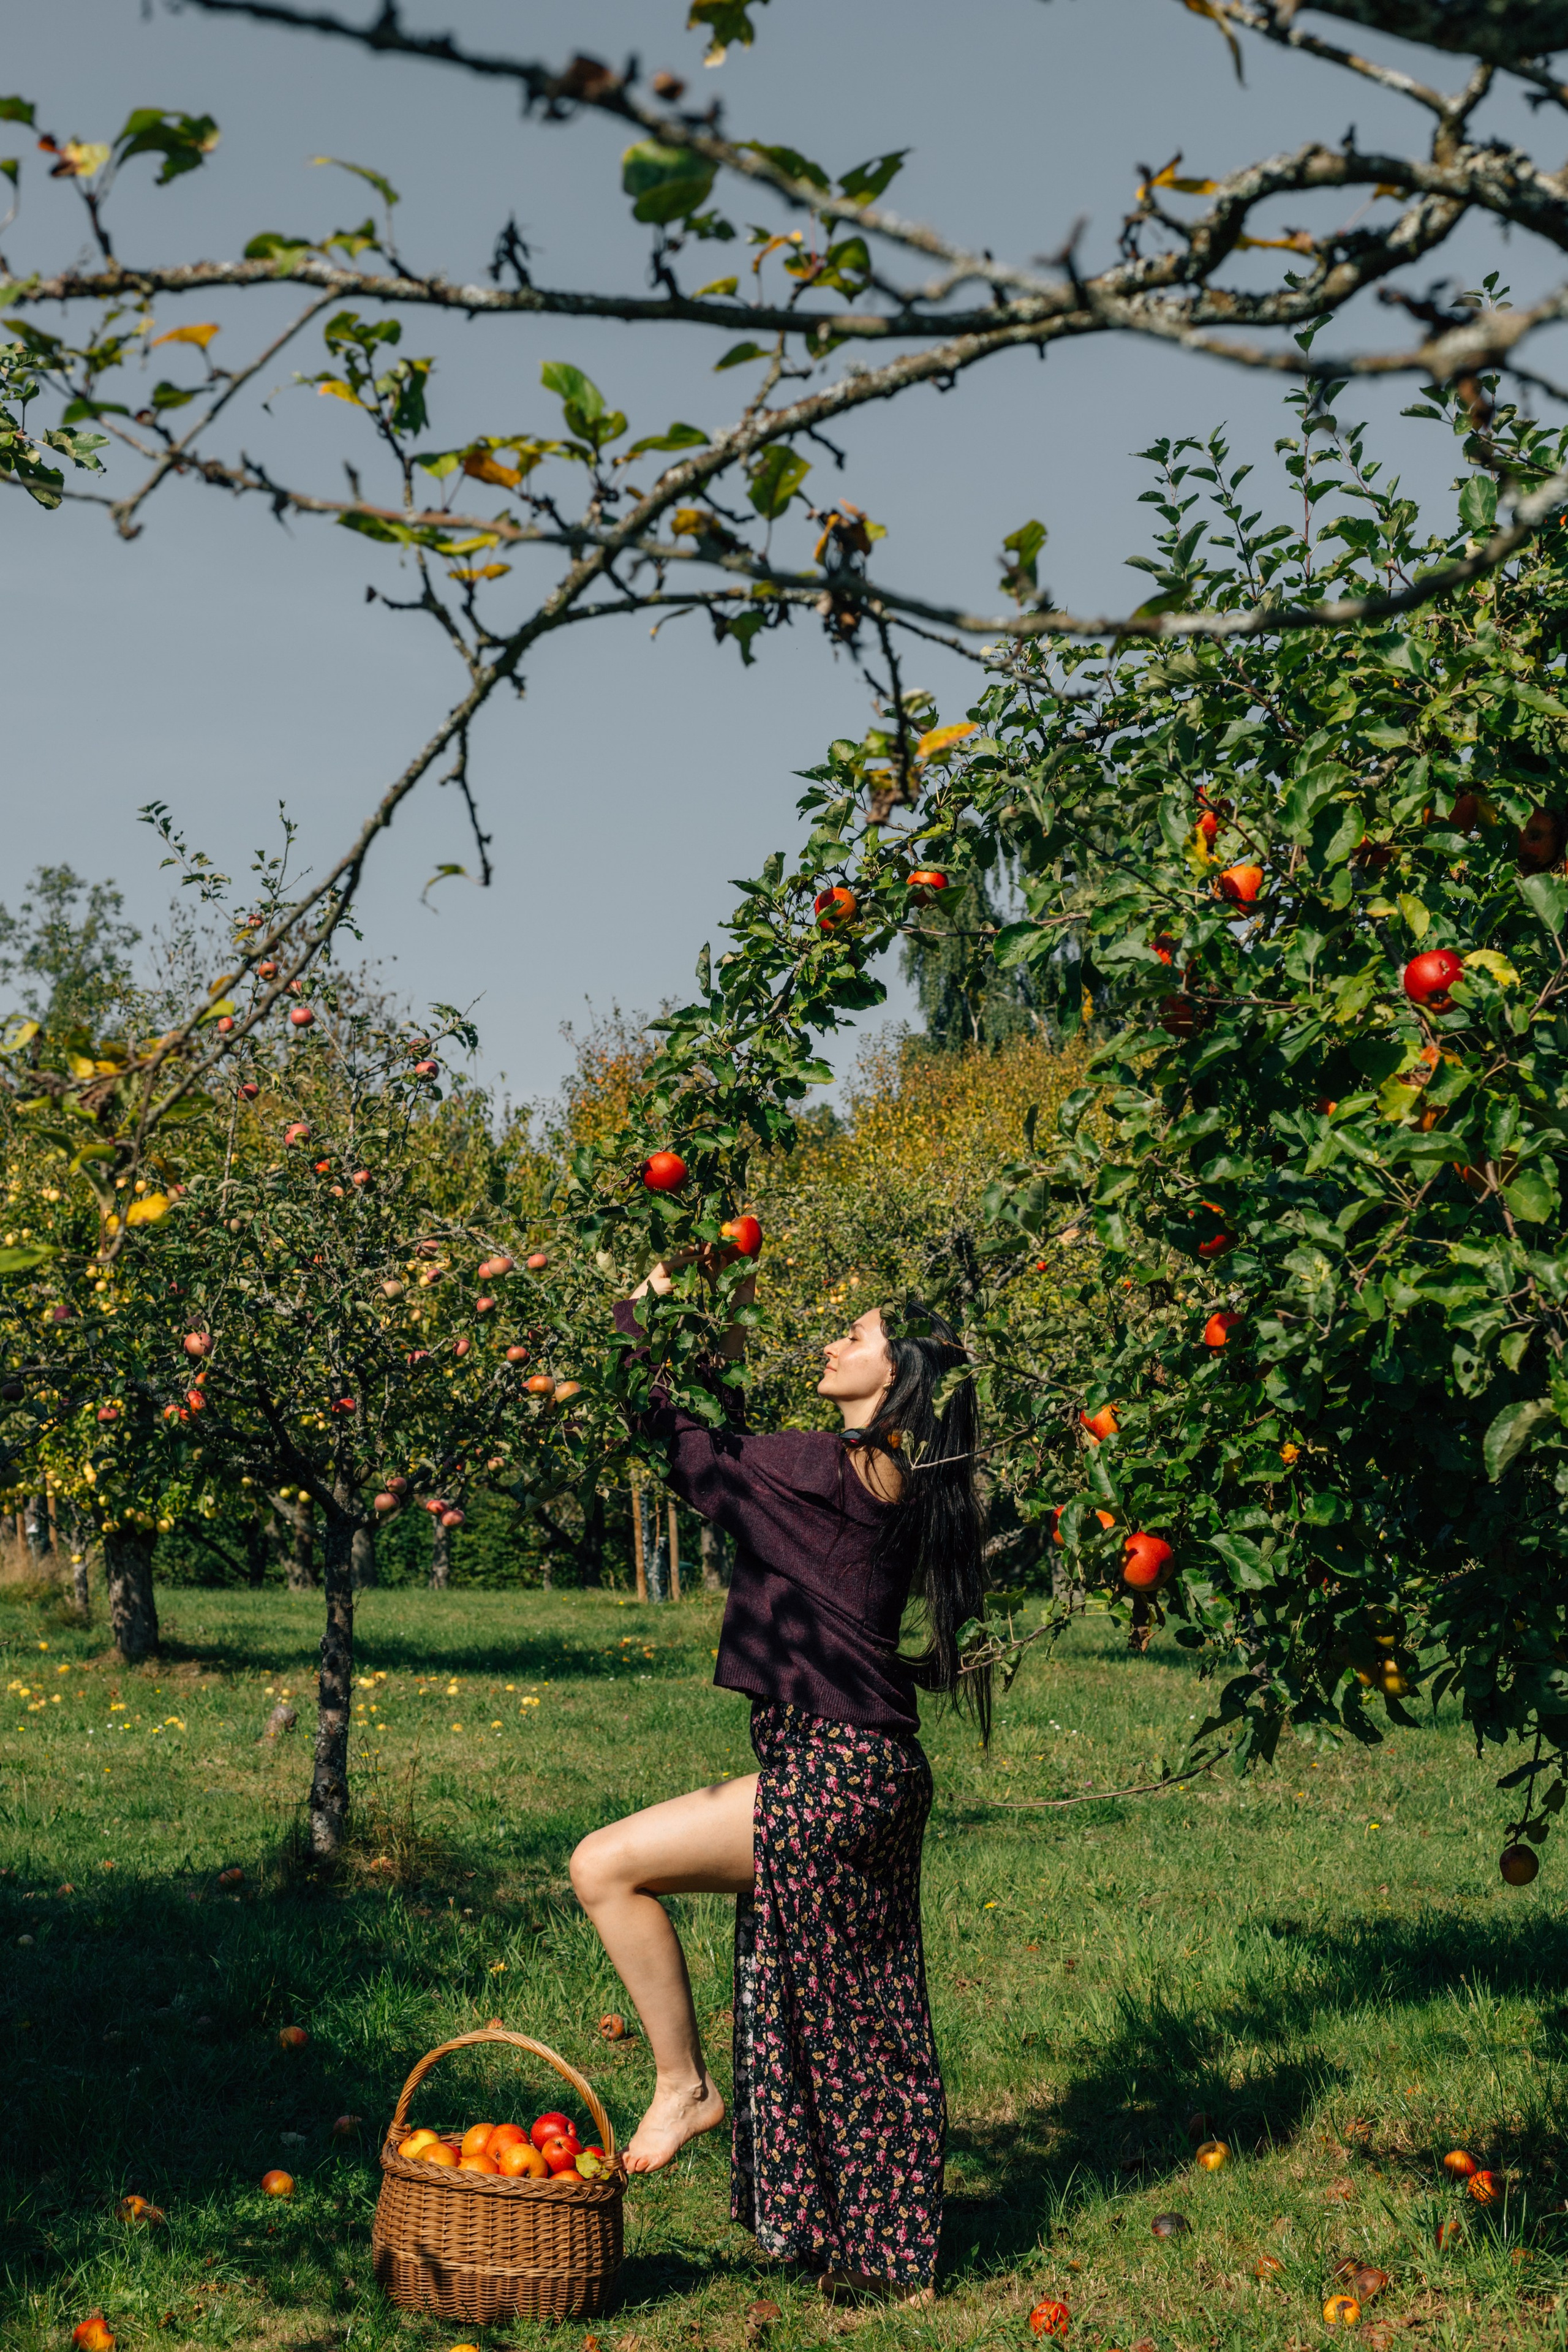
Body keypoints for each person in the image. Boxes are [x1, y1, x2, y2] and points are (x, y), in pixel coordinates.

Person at [568, 1254, 987, 2301]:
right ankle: (884, 2253)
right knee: (850, 2011)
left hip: (838, 1770)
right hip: (866, 1768)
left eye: (857, 1336)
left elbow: (684, 1448)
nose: (834, 1344)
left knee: (606, 1866)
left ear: (901, 1380)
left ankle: (685, 2087)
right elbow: (721, 1444)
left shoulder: (840, 1469)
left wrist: (656, 1307)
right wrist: (720, 1324)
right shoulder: (883, 1475)